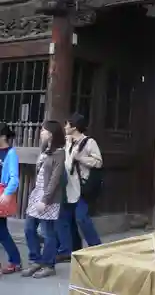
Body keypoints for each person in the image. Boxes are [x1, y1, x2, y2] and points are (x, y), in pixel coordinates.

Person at [22, 120, 66, 279]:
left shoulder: (60, 153)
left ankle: (49, 264)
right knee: (28, 228)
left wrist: (45, 200)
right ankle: (35, 260)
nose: (41, 132)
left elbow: (55, 179)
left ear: (51, 134)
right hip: (37, 193)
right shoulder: (44, 150)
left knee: (48, 232)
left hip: (49, 198)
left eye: (43, 130)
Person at [55, 113, 102, 262]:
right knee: (64, 218)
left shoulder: (89, 142)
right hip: (68, 186)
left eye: (67, 124)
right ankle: (69, 250)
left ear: (74, 126)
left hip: (82, 186)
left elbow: (98, 162)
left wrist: (80, 157)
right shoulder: (67, 142)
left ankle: (97, 248)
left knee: (81, 218)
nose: (65, 127)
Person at [0, 123, 22, 274]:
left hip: (2, 192)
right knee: (2, 230)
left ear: (2, 136)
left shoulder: (11, 153)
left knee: (2, 231)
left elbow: (14, 178)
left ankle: (15, 261)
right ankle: (15, 260)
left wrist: (7, 194)